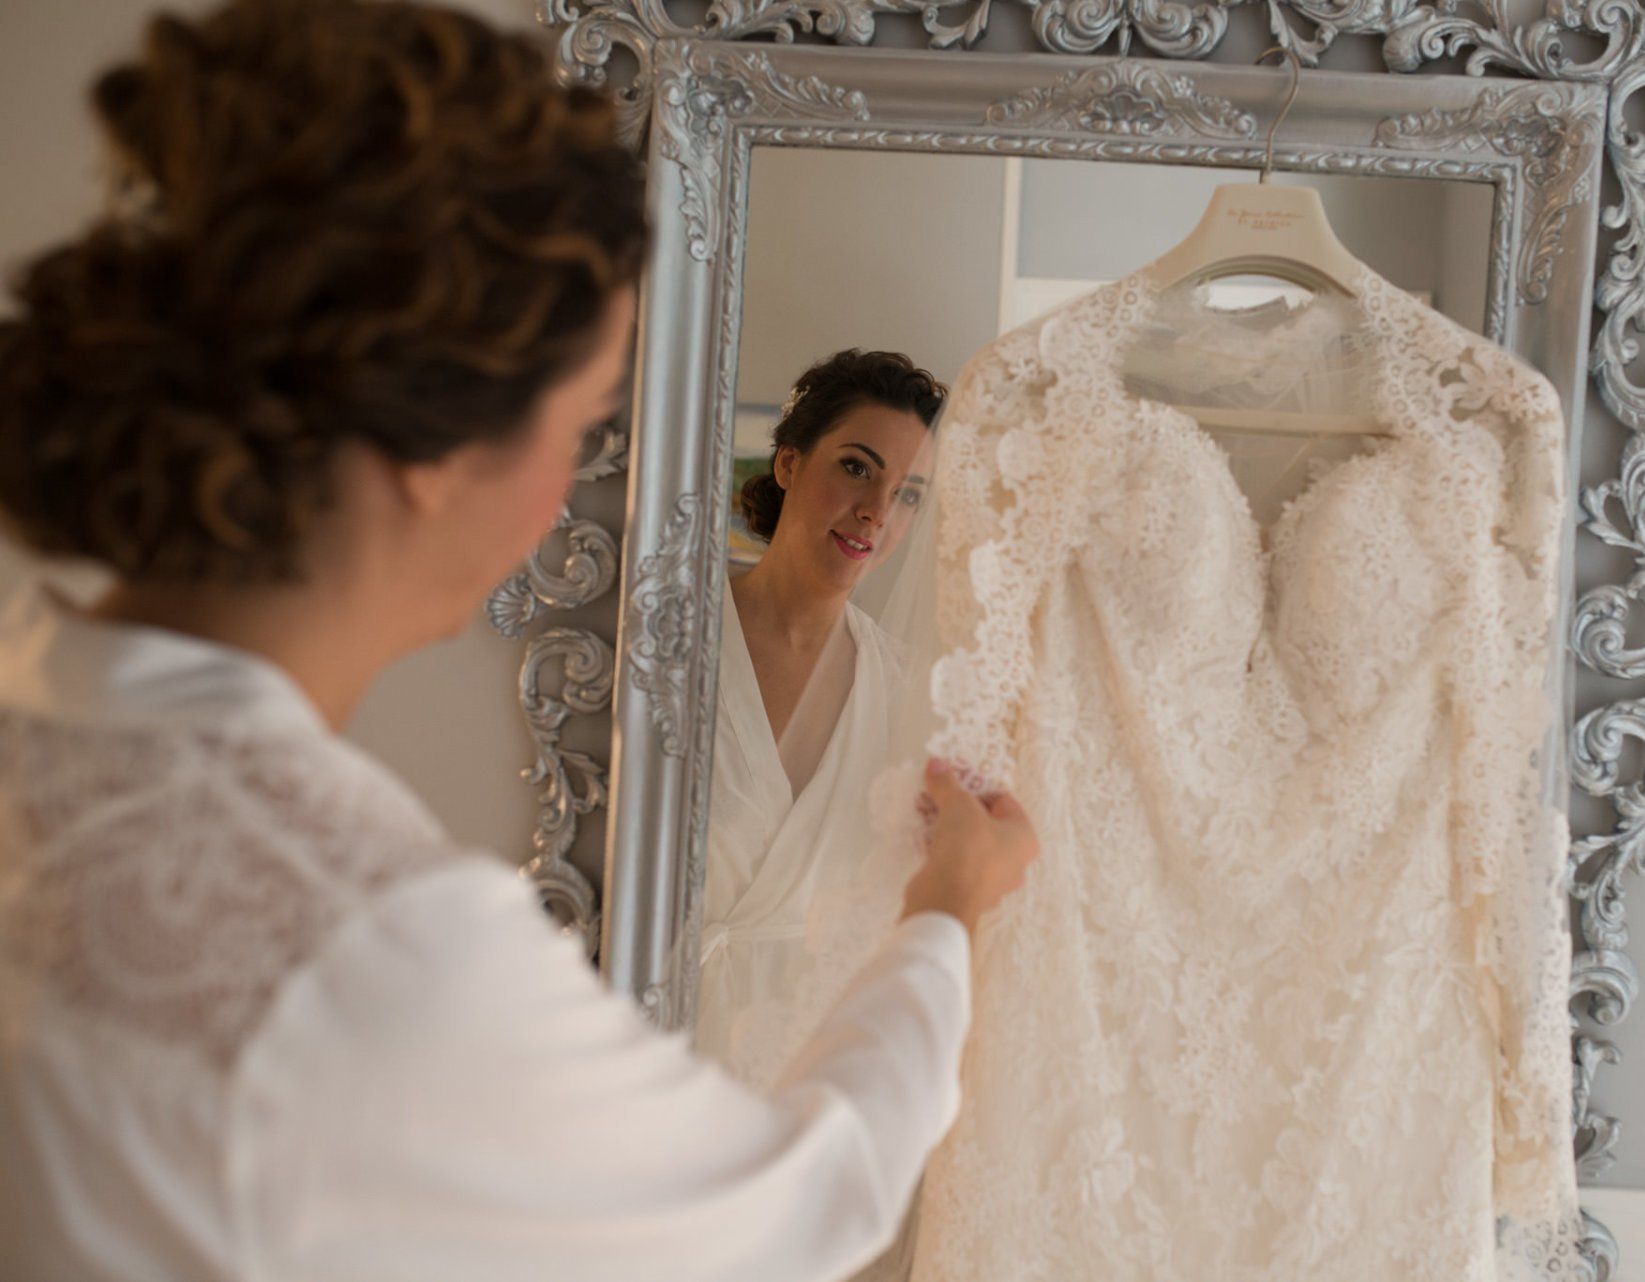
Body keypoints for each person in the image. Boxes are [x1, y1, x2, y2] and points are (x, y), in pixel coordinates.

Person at [0, 3, 1037, 1280]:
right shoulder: (377, 947)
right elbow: (795, 1213)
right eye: (582, 424)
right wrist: (948, 906)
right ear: (436, 446)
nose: (567, 498)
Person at [699, 350, 944, 1088]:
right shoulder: (675, 640)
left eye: (908, 493)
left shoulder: (908, 695)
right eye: (857, 467)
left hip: (804, 1074)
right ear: (789, 463)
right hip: (646, 1046)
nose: (877, 510)